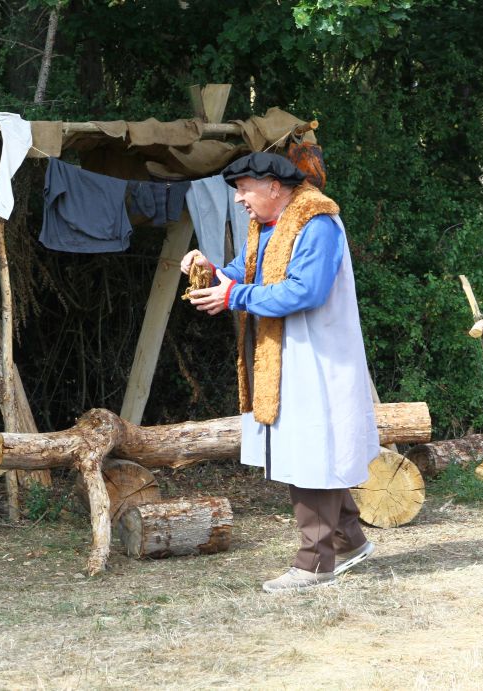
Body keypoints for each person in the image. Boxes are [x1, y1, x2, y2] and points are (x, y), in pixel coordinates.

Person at [180, 152, 379, 593]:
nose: (238, 199)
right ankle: (348, 540)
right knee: (308, 449)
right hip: (288, 354)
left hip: (318, 355)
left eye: (243, 189)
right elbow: (241, 273)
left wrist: (234, 296)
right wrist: (209, 271)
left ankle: (315, 563)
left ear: (274, 186)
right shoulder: (269, 225)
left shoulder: (316, 223)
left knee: (312, 453)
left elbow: (306, 291)